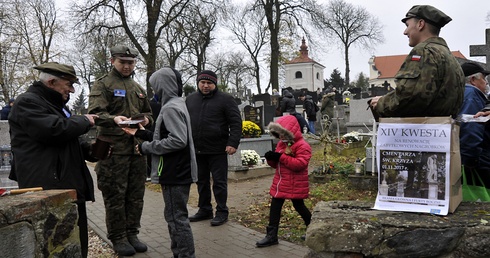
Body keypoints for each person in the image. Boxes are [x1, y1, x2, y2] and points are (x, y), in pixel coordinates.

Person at [8, 62, 98, 258]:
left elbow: (66, 139)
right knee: (52, 246)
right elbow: (54, 130)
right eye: (69, 84)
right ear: (51, 82)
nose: (72, 90)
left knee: (74, 242)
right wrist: (84, 120)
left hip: (65, 184)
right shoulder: (27, 102)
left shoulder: (54, 106)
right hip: (47, 187)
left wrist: (94, 149)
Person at [122, 67, 197, 257]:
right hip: (178, 170)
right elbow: (164, 135)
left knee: (176, 218)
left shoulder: (171, 108)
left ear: (163, 85)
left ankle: (186, 255)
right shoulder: (176, 104)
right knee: (174, 216)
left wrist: (147, 147)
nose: (154, 92)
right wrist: (139, 133)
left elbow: (178, 140)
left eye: (155, 87)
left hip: (175, 172)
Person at [88, 45, 154, 256]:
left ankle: (132, 233)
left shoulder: (137, 87)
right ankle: (118, 237)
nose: (126, 66)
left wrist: (145, 120)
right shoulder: (103, 84)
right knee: (115, 195)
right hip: (113, 150)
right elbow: (96, 114)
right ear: (112, 61)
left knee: (136, 195)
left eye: (130, 62)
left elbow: (149, 115)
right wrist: (114, 119)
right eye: (122, 62)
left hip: (136, 150)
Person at [369, 5, 464, 117]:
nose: (405, 32)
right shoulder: (448, 55)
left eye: (408, 25)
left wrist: (381, 103)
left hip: (422, 130)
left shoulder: (424, 51)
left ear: (420, 24)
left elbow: (411, 97)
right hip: (443, 129)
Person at [185, 70, 242, 226]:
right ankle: (205, 209)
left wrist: (232, 143)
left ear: (214, 84)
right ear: (198, 83)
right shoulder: (190, 100)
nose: (205, 86)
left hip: (218, 149)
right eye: (202, 82)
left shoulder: (225, 99)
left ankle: (222, 211)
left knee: (219, 182)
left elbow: (236, 122)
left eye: (209, 83)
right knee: (201, 181)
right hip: (197, 149)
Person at [256, 115, 312, 247]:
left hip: (295, 182)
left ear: (290, 132)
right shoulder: (282, 144)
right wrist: (271, 159)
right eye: (278, 134)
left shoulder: (303, 145)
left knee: (299, 206)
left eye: (283, 133)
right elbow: (278, 165)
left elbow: (299, 164)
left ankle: (312, 229)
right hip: (281, 182)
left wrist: (280, 157)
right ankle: (271, 236)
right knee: (275, 206)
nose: (280, 137)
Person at [458, 62, 490, 187]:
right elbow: (471, 126)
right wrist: (472, 159)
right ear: (473, 80)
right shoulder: (472, 96)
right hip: (479, 161)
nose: (486, 82)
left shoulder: (462, 94)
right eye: (484, 78)